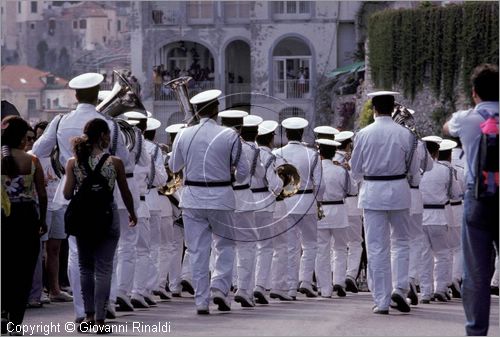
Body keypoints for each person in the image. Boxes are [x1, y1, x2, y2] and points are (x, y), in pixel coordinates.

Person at [32, 72, 131, 323]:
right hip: (105, 199)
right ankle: (105, 306)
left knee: (78, 257)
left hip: (72, 198)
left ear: (75, 95)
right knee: (107, 258)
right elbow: (126, 161)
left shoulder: (60, 121)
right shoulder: (110, 123)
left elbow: (39, 151)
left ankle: (81, 312)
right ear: (98, 94)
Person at [169, 89, 250, 314]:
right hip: (222, 196)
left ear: (196, 110)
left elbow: (174, 167)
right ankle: (219, 288)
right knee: (224, 246)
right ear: (216, 110)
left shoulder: (184, 134)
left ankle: (201, 301)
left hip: (193, 198)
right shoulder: (229, 135)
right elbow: (243, 174)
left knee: (197, 250)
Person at [63, 118, 137, 332]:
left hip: (83, 218)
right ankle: (101, 321)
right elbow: (125, 191)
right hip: (107, 216)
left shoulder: (72, 162)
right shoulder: (114, 162)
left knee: (85, 268)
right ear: (103, 135)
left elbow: (68, 194)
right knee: (104, 269)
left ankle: (87, 317)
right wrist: (132, 213)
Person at [350, 91, 420, 315]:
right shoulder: (407, 134)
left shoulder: (362, 134)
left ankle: (381, 300)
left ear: (373, 109)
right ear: (392, 109)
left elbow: (355, 171)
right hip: (399, 190)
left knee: (376, 247)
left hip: (372, 192)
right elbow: (414, 172)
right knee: (401, 242)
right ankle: (400, 288)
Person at [443, 63, 499, 336]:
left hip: (477, 198)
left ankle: (476, 331)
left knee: (476, 271)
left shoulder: (467, 119)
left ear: (474, 91)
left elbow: (446, 128)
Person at [1, 116, 47, 333]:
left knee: (5, 267)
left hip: (3, 217)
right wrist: (42, 220)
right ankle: (15, 321)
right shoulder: (33, 161)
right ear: (21, 137)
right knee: (24, 270)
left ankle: (2, 311)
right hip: (26, 218)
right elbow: (42, 194)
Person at [274, 117, 322, 298]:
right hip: (307, 201)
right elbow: (320, 184)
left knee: (289, 246)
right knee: (310, 244)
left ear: (286, 134)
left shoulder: (277, 153)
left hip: (285, 202)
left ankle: (290, 287)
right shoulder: (312, 154)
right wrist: (319, 201)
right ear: (302, 133)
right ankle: (306, 281)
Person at [315, 138, 355, 298]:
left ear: (320, 153)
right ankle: (339, 281)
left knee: (322, 250)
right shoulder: (341, 170)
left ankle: (324, 288)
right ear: (333, 153)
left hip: (321, 210)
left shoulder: (316, 170)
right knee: (340, 249)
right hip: (338, 210)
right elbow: (352, 190)